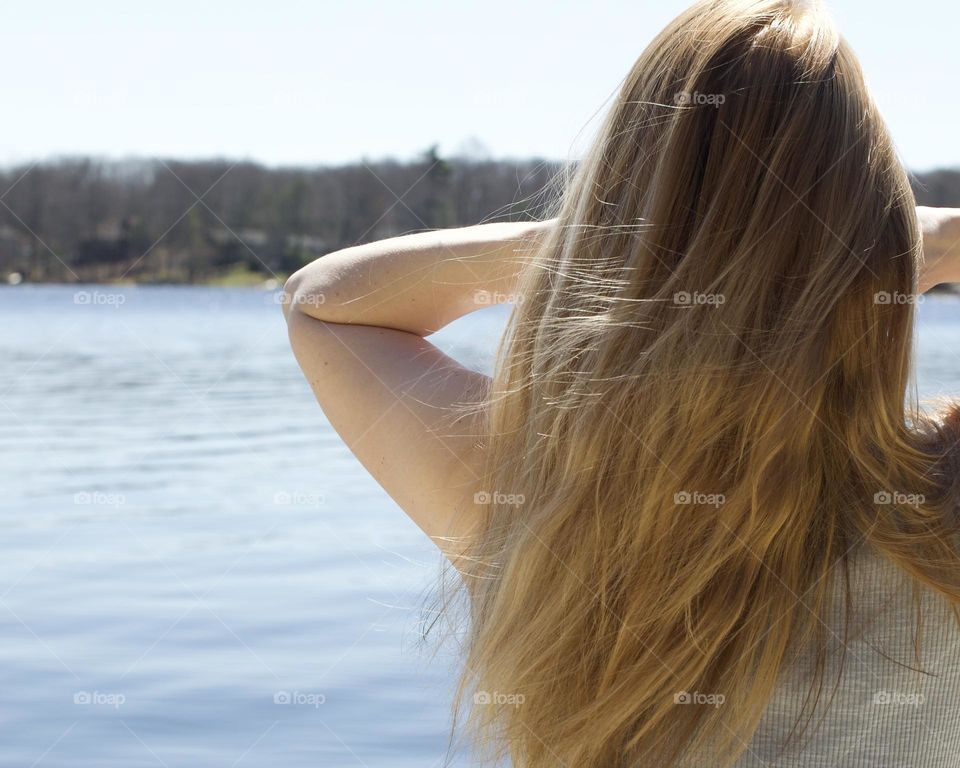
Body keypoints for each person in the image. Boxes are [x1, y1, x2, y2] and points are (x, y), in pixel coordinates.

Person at [282, 0, 960, 765]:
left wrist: (623, 242)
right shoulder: (938, 513)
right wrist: (910, 244)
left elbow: (325, 305)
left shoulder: (532, 498)